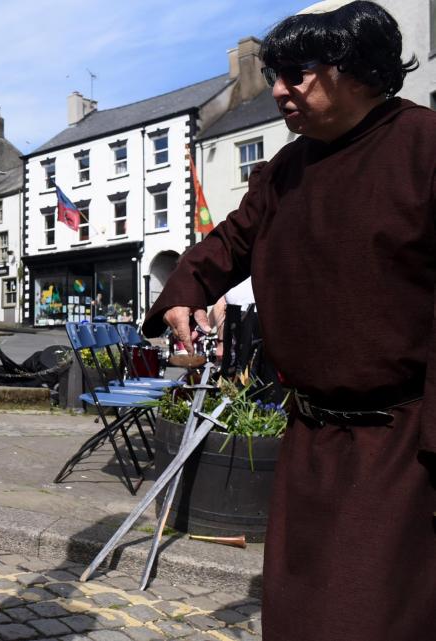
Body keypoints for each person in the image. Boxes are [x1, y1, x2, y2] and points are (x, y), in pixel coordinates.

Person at [141, 3, 434, 640]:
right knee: (299, 617)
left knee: (375, 617)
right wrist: (183, 292)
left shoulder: (425, 148)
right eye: (274, 73)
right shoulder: (285, 171)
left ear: (356, 68)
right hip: (309, 438)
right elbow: (227, 244)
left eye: (296, 72)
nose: (278, 89)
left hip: (399, 445)